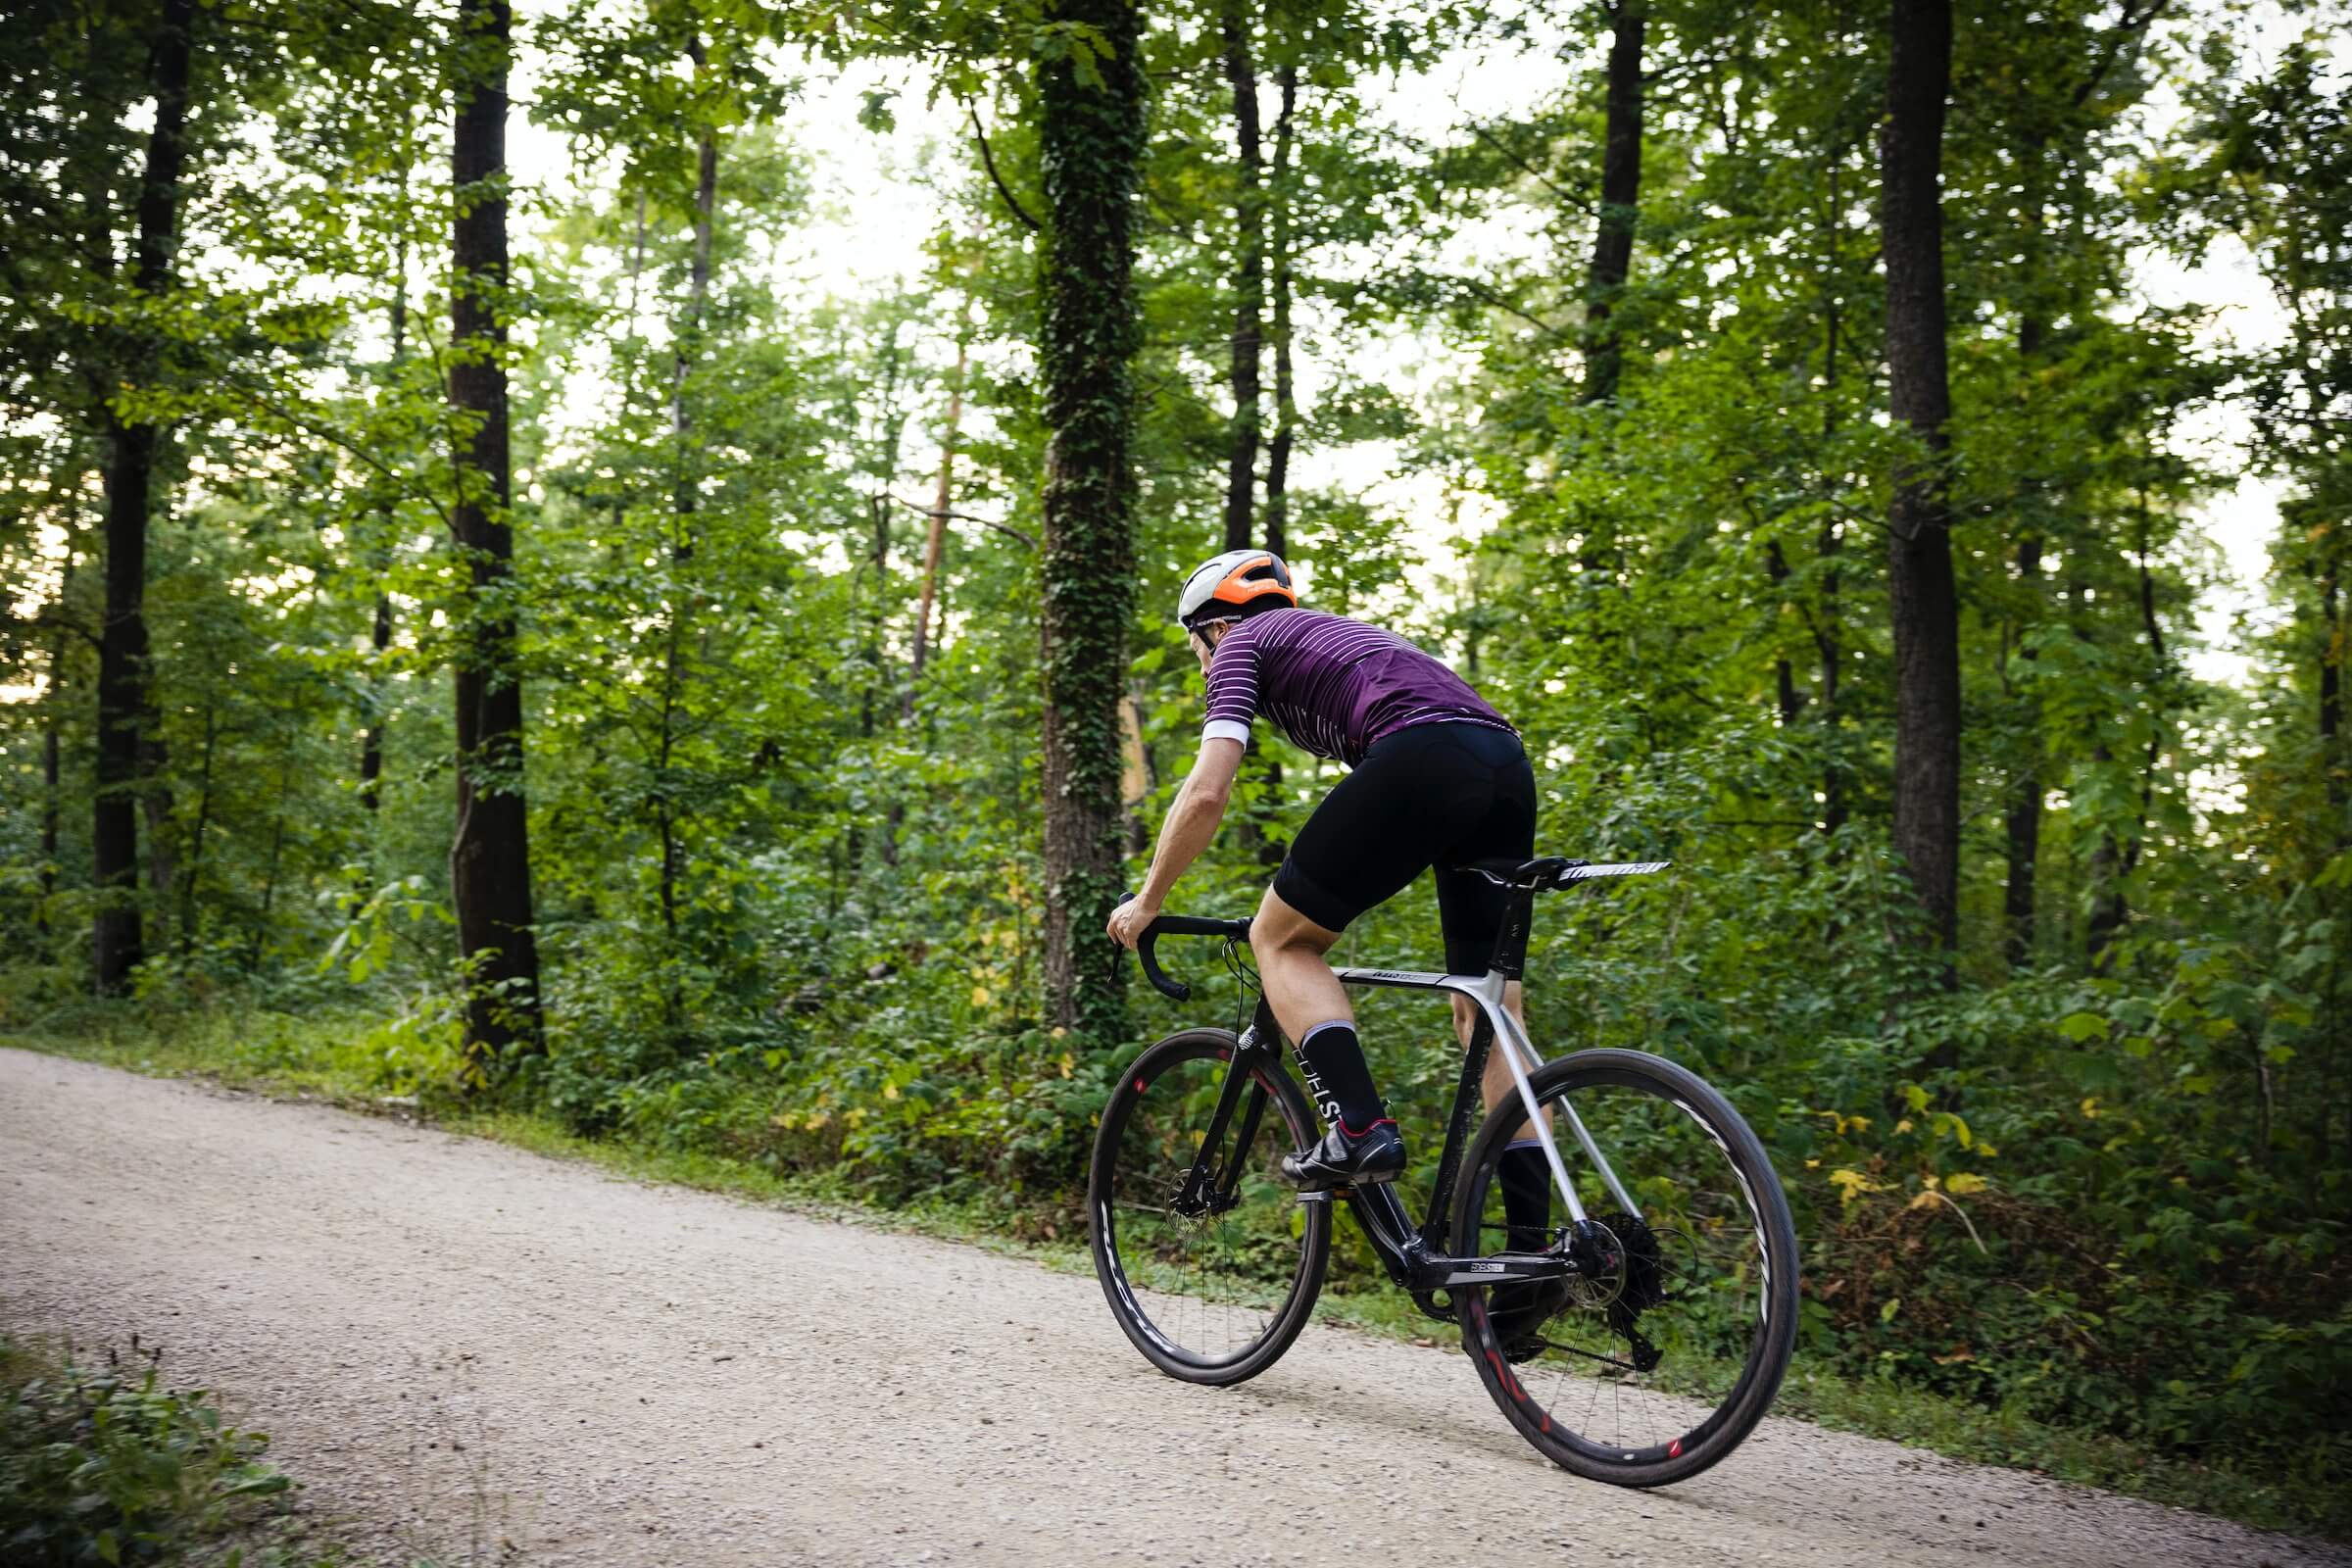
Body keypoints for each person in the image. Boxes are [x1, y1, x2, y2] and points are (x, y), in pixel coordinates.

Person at [1104, 549, 1556, 1279]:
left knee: (1280, 941)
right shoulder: (1341, 635)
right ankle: (1535, 1262)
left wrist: (1149, 900)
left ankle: (1361, 1127)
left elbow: (1207, 791)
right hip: (1505, 761)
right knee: (1490, 1009)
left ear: (1212, 628)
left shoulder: (1240, 645)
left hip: (1425, 752)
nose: (1201, 670)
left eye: (1196, 651)